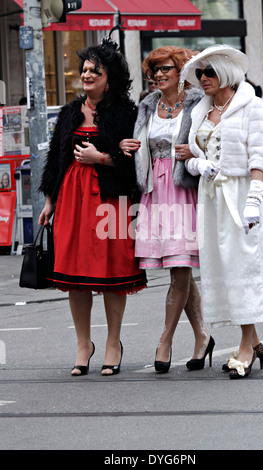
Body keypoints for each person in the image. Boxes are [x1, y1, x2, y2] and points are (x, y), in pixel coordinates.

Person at [38, 33, 147, 377]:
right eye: (84, 70)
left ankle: (113, 342)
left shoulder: (126, 113)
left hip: (112, 200)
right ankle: (84, 344)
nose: (86, 76)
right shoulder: (71, 111)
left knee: (114, 272)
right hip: (72, 199)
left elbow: (133, 162)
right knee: (76, 275)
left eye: (94, 72)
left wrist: (100, 157)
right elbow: (56, 159)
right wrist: (49, 201)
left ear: (109, 78)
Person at [179, 44, 263, 379]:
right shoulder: (201, 110)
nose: (203, 79)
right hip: (211, 197)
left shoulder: (252, 106)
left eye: (209, 72)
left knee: (243, 264)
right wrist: (199, 164)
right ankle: (254, 342)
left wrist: (255, 195)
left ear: (226, 72)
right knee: (223, 268)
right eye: (200, 73)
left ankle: (245, 346)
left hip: (240, 196)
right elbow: (192, 153)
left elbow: (260, 155)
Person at [120, 46, 214, 373]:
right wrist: (126, 145)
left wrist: (195, 150)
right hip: (154, 190)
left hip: (183, 189)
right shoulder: (148, 106)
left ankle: (165, 340)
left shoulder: (198, 104)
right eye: (155, 70)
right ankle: (202, 336)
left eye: (166, 69)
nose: (159, 75)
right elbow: (140, 144)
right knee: (180, 265)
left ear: (181, 71)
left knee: (179, 265)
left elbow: (212, 138)